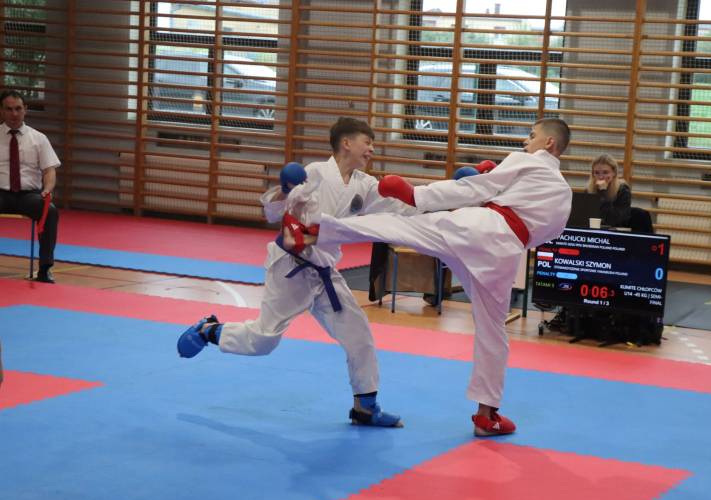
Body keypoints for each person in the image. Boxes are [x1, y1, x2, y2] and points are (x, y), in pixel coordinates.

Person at [285, 118, 573, 437]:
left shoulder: (527, 161)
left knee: (402, 227)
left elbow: (475, 188)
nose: (525, 142)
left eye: (532, 136)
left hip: (478, 229)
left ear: (549, 143)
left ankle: (313, 232)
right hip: (505, 255)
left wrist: (416, 195)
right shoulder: (564, 193)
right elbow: (545, 232)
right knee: (493, 331)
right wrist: (497, 195)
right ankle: (486, 415)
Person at [177, 117, 416, 428]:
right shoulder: (314, 174)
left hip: (325, 273)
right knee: (263, 341)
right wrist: (285, 191)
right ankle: (208, 330)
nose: (371, 149)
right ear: (346, 143)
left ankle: (365, 407)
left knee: (359, 336)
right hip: (290, 267)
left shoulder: (365, 185)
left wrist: (447, 201)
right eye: (366, 142)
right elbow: (273, 212)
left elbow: (401, 208)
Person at [0, 89, 60, 283]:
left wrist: (47, 189)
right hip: (1, 193)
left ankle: (45, 269)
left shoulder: (38, 138)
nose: (14, 113)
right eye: (9, 109)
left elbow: (49, 170)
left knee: (50, 211)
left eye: (18, 109)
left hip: (29, 195)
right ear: (2, 111)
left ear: (25, 109)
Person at [586, 153, 630, 228]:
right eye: (596, 173)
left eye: (605, 172)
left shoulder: (623, 190)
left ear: (614, 173)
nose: (601, 177)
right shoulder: (589, 190)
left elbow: (615, 220)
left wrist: (603, 192)